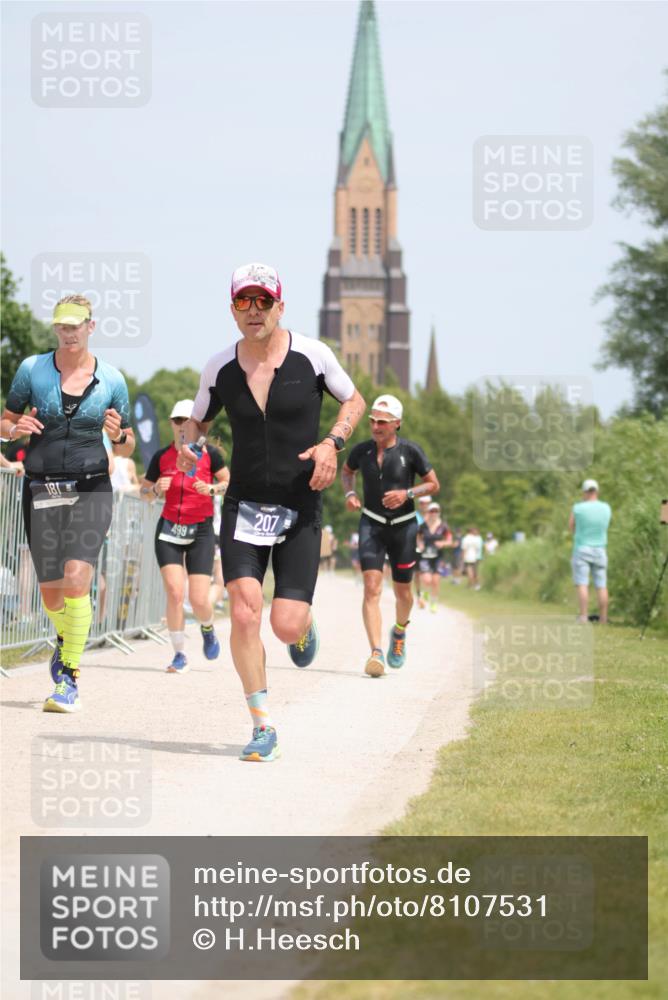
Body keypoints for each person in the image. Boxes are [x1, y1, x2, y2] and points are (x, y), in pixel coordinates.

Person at [180, 262, 365, 761]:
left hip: (299, 503)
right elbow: (197, 422)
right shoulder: (219, 367)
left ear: (280, 306)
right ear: (233, 309)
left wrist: (332, 443)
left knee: (284, 624)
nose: (255, 310)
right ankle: (262, 725)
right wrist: (188, 445)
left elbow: (354, 401)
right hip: (243, 504)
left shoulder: (313, 356)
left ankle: (302, 625)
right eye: (245, 301)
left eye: (264, 301)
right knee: (244, 611)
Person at [0, 294, 135, 712]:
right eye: (62, 325)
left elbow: (128, 445)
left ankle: (68, 678)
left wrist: (117, 436)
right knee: (52, 596)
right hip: (41, 489)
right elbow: (4, 422)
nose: (68, 332)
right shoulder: (32, 370)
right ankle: (67, 638)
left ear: (90, 326)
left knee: (77, 578)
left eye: (76, 325)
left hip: (91, 487)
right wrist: (13, 429)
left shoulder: (112, 380)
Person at [342, 394, 439, 678]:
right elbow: (347, 472)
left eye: (382, 422)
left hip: (404, 527)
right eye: (372, 421)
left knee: (403, 593)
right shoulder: (362, 451)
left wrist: (407, 493)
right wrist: (350, 493)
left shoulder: (411, 451)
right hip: (371, 524)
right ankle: (376, 652)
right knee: (371, 587)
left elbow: (433, 484)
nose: (375, 426)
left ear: (397, 423)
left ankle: (399, 631)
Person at [140, 399, 228, 672]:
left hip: (200, 530)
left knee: (199, 599)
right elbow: (144, 493)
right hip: (169, 529)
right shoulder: (161, 457)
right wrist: (157, 489)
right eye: (177, 420)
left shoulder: (211, 454)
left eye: (187, 421)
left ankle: (207, 627)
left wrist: (211, 489)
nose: (182, 426)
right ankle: (179, 654)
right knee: (176, 593)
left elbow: (228, 482)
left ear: (197, 426)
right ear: (171, 423)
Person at [569, 478, 612, 623]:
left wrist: (579, 534)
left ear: (585, 492)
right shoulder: (606, 508)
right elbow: (605, 526)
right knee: (601, 585)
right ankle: (603, 618)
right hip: (600, 550)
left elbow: (571, 526)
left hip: (582, 549)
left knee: (582, 584)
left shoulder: (578, 508)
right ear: (596, 491)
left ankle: (583, 617)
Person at [417, 501, 451, 612]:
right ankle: (425, 594)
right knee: (427, 580)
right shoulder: (423, 526)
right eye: (432, 511)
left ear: (439, 512)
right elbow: (418, 537)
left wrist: (443, 543)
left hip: (438, 557)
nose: (434, 513)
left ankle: (433, 602)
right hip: (425, 556)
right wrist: (420, 544)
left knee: (435, 581)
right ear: (428, 512)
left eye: (436, 511)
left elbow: (449, 540)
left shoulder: (443, 526)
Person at [414, 495, 432, 608]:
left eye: (426, 503)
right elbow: (415, 531)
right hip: (418, 548)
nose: (424, 505)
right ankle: (419, 595)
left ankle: (424, 595)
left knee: (428, 575)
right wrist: (419, 543)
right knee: (418, 573)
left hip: (431, 549)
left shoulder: (434, 515)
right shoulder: (415, 515)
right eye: (422, 503)